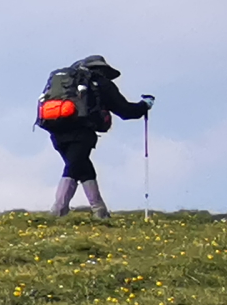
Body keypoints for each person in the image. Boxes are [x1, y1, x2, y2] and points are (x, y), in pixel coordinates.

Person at [37, 53, 152, 216]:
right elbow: (126, 111)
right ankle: (58, 210)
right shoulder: (101, 83)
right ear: (101, 70)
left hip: (55, 128)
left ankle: (100, 211)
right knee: (74, 167)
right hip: (81, 131)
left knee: (82, 167)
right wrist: (144, 105)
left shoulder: (65, 83)